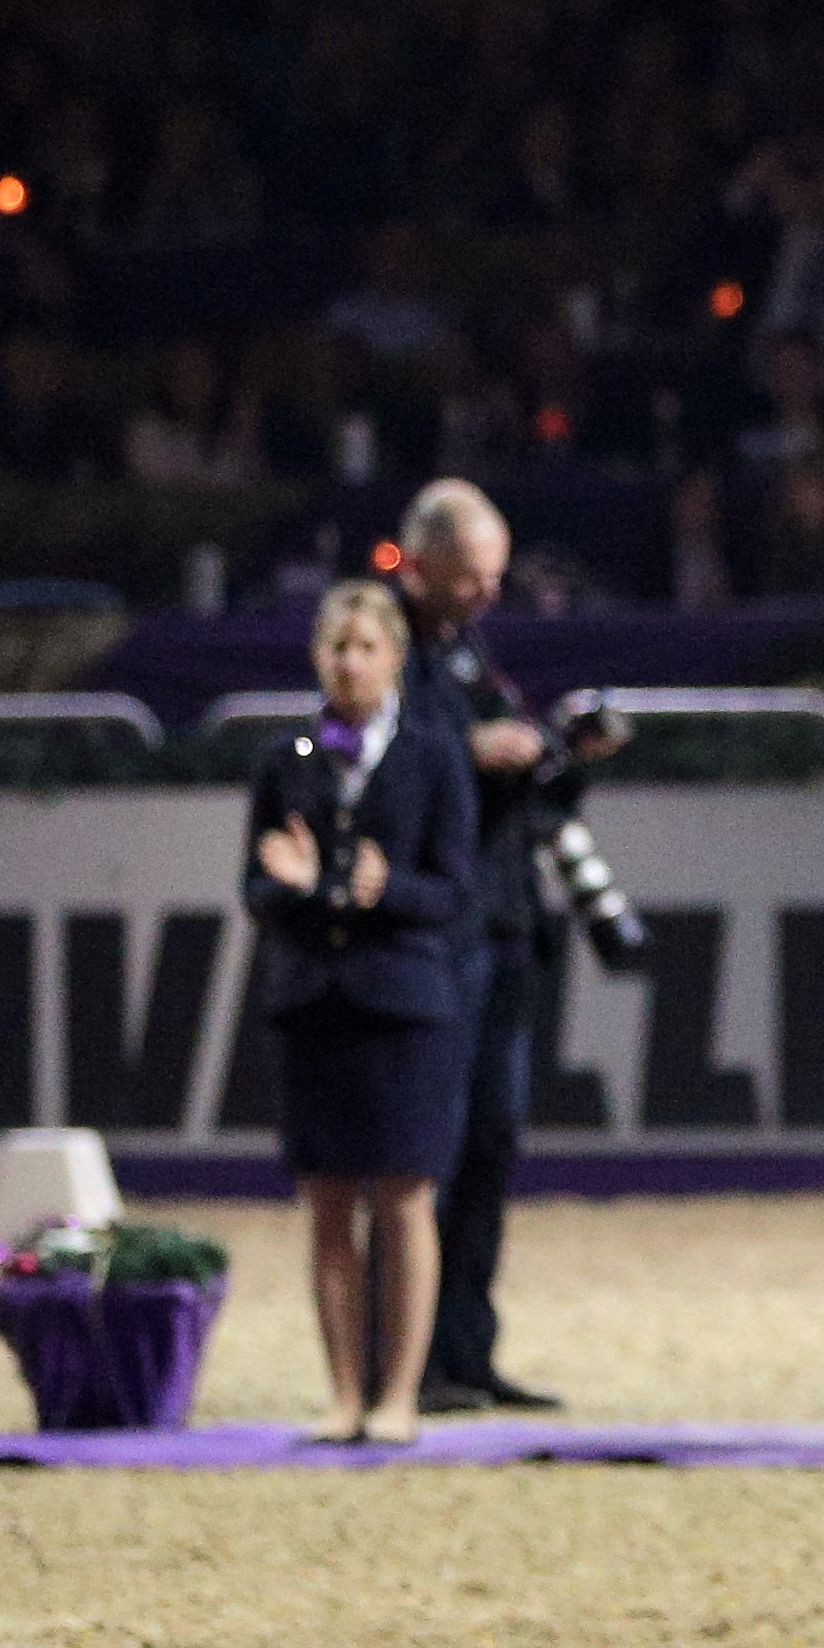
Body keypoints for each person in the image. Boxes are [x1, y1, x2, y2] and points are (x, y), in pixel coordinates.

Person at [242, 582, 479, 1444]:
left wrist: (387, 891)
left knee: (407, 1197)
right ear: (317, 657)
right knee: (330, 1201)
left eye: (365, 648)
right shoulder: (286, 758)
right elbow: (257, 885)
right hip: (312, 1000)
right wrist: (293, 889)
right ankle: (344, 1392)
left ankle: (400, 1395)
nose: (349, 664)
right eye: (336, 648)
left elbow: (454, 888)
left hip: (404, 1001)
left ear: (394, 658)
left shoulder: (433, 752)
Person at [391, 479, 585, 1416]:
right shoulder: (383, 647)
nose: (485, 596)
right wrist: (471, 753)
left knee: (492, 1145)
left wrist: (560, 760)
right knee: (432, 1147)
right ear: (417, 561)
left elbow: (518, 797)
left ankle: (468, 1350)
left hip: (506, 924)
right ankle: (411, 1359)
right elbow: (372, 763)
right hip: (438, 936)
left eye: (493, 578)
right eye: (469, 578)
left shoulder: (466, 650)